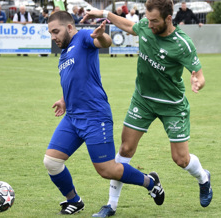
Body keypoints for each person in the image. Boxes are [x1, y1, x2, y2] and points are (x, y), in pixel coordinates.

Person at [81, 0, 212, 217]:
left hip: (172, 105)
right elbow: (126, 25)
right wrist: (102, 13)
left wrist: (198, 82)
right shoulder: (145, 26)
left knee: (181, 160)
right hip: (142, 100)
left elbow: (198, 73)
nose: (149, 25)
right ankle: (111, 205)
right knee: (125, 150)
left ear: (168, 19)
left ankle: (203, 178)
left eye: (154, 21)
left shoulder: (182, 44)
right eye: (147, 19)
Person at [45, 11, 165, 215]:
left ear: (70, 28)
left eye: (56, 31)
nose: (53, 37)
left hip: (95, 116)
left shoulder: (83, 37)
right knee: (52, 162)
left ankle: (150, 182)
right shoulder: (64, 55)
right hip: (73, 118)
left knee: (107, 170)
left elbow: (106, 42)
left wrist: (100, 35)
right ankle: (74, 200)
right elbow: (74, 80)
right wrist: (64, 100)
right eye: (50, 33)